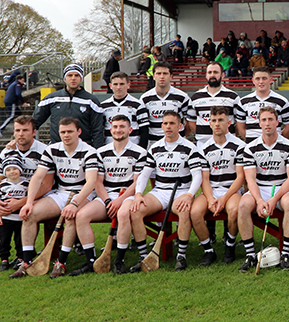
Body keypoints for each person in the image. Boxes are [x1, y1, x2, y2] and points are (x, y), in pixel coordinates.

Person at [9, 118, 100, 278]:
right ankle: (26, 262)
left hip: (83, 193)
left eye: (70, 131)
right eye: (63, 132)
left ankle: (61, 263)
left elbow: (91, 182)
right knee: (29, 215)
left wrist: (74, 203)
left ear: (78, 132)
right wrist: (29, 203)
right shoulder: (52, 150)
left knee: (71, 216)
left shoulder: (89, 151)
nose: (66, 135)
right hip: (61, 192)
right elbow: (37, 177)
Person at [117, 110, 205, 272]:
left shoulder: (189, 148)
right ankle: (144, 257)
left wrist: (189, 195)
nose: (168, 126)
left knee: (184, 211)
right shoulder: (155, 148)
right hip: (159, 192)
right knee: (136, 210)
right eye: (165, 123)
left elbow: (197, 176)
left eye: (172, 123)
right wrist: (137, 194)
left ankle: (181, 256)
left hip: (181, 191)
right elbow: (144, 176)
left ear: (180, 126)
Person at [0, 116, 50, 272]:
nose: (21, 134)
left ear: (34, 132)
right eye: (17, 130)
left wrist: (22, 202)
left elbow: (47, 185)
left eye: (25, 130)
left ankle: (25, 255)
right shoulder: (7, 151)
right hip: (8, 194)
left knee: (28, 212)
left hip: (36, 195)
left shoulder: (44, 151)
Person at [236, 106, 289, 271]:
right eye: (264, 120)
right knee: (242, 205)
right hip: (259, 188)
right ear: (259, 123)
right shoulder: (250, 148)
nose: (267, 123)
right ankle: (250, 255)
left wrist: (273, 199)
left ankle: (286, 254)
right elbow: (250, 178)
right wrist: (259, 200)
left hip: (282, 189)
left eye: (271, 119)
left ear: (277, 122)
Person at [91, 115, 147, 275]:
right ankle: (90, 260)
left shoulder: (140, 152)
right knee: (82, 215)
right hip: (106, 196)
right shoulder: (101, 152)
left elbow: (137, 183)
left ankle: (119, 260)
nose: (118, 130)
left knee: (123, 214)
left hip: (128, 195)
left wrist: (119, 201)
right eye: (115, 127)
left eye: (122, 127)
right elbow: (98, 182)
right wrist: (108, 200)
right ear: (110, 130)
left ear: (130, 130)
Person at [191, 106, 246, 267]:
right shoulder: (203, 148)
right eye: (213, 120)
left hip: (231, 189)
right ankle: (209, 250)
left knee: (234, 210)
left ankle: (230, 246)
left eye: (221, 120)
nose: (217, 124)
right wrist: (210, 199)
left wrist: (223, 199)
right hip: (211, 190)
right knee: (194, 212)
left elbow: (240, 177)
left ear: (229, 122)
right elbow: (204, 179)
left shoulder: (239, 145)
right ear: (209, 123)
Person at [33, 63, 105, 148]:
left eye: (77, 75)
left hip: (83, 151)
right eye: (70, 75)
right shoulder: (52, 98)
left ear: (81, 78)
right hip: (57, 149)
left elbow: (98, 130)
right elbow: (34, 123)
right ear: (65, 78)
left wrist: (97, 152)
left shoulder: (91, 101)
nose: (73, 78)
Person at [139, 62, 190, 148]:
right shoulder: (145, 99)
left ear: (171, 76)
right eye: (158, 73)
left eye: (165, 73)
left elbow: (189, 122)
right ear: (154, 76)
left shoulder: (182, 97)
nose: (162, 77)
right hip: (154, 145)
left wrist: (180, 135)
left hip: (178, 145)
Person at [186, 63, 241, 144]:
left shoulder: (233, 97)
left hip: (227, 144)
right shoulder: (195, 97)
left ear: (223, 75)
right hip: (203, 144)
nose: (212, 75)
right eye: (209, 72)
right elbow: (191, 121)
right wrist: (203, 135)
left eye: (215, 72)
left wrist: (229, 134)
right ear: (206, 75)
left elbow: (240, 122)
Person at [236, 66, 289, 141]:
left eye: (264, 78)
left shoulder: (282, 101)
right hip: (252, 148)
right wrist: (253, 143)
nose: (261, 82)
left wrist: (275, 140)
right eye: (258, 79)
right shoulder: (243, 102)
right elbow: (240, 129)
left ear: (271, 80)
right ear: (253, 81)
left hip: (275, 148)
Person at [0, 157, 30, 271]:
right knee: (4, 240)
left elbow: (29, 200)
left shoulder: (26, 183)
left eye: (15, 169)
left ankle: (20, 258)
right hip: (6, 218)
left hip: (20, 218)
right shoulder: (2, 185)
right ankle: (4, 259)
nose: (12, 172)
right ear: (4, 172)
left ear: (20, 170)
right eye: (8, 170)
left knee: (19, 240)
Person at [100, 72, 149, 146]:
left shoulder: (138, 105)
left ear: (128, 85)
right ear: (110, 86)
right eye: (115, 84)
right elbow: (100, 130)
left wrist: (142, 149)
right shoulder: (103, 106)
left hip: (133, 149)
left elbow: (144, 130)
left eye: (122, 84)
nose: (118, 87)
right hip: (110, 150)